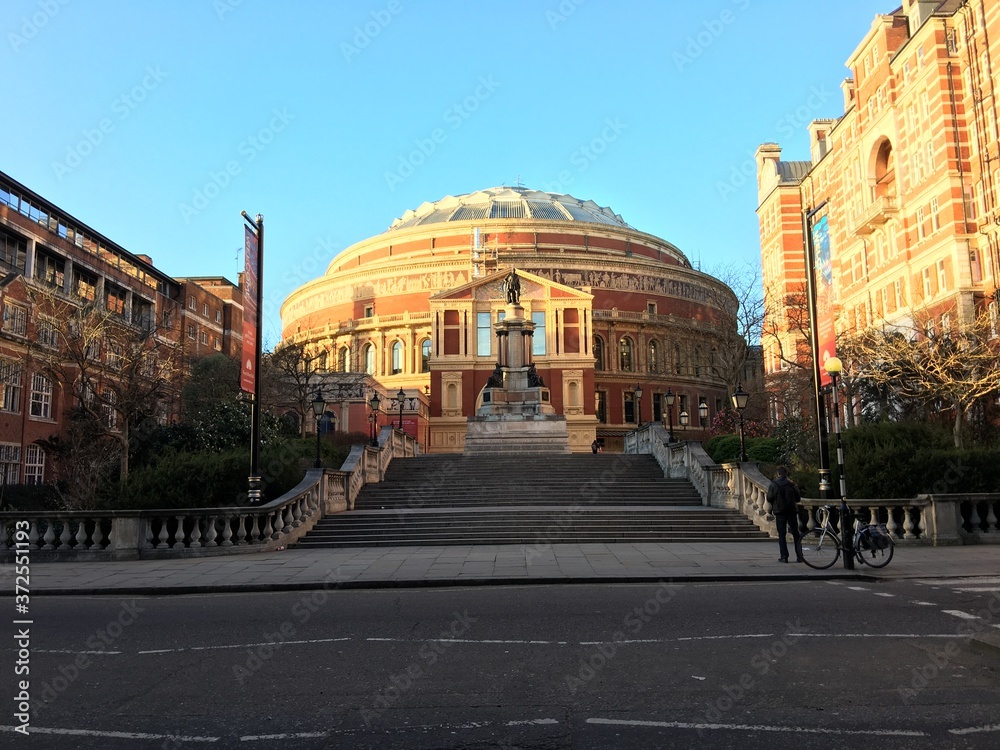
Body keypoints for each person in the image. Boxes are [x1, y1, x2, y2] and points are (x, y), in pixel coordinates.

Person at [767, 465, 803, 563]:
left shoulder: (774, 484)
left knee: (782, 534)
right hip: (791, 510)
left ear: (778, 474)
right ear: (786, 473)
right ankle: (800, 556)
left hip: (780, 511)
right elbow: (798, 498)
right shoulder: (792, 484)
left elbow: (769, 498)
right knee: (796, 533)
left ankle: (784, 556)